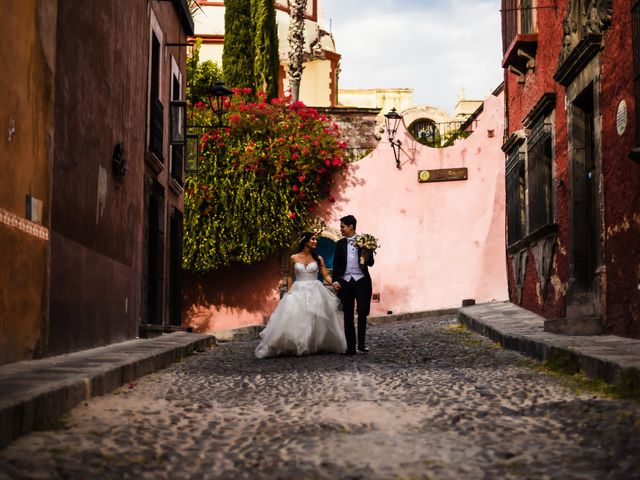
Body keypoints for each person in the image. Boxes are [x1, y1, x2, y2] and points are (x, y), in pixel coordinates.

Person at [255, 232, 347, 358]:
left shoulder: (318, 258)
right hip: (298, 288)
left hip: (315, 289)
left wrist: (334, 283)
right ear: (305, 241)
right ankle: (298, 344)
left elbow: (325, 275)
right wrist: (289, 290)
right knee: (298, 317)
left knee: (314, 317)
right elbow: (289, 276)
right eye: (313, 239)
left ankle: (311, 344)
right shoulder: (293, 258)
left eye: (316, 239)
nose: (315, 241)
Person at [331, 215, 375, 355]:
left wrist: (367, 255)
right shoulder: (339, 244)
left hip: (362, 281)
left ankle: (361, 345)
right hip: (345, 282)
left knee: (362, 312)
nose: (341, 229)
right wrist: (336, 280)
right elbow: (336, 265)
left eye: (342, 226)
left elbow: (371, 263)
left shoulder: (365, 241)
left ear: (351, 226)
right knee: (348, 315)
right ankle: (351, 348)